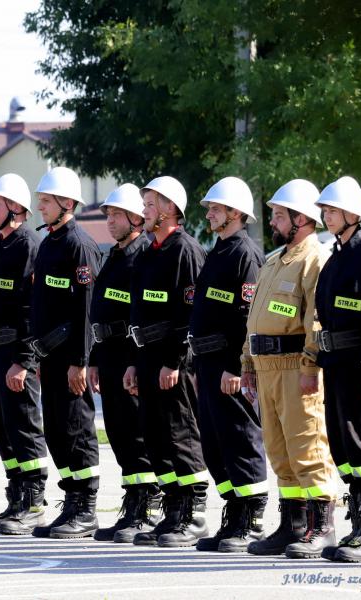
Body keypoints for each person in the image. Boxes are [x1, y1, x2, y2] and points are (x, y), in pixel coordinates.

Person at [241, 179, 338, 558]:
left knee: (307, 445)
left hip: (296, 367)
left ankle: (323, 526)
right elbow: (254, 319)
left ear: (302, 219)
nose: (273, 221)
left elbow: (316, 319)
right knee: (279, 451)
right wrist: (247, 363)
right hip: (266, 367)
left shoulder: (315, 260)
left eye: (280, 215)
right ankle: (293, 525)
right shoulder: (272, 261)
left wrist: (310, 365)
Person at [123, 176, 209, 548]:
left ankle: (194, 514)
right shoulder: (148, 253)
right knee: (156, 436)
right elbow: (139, 312)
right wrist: (133, 362)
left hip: (173, 362)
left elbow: (190, 315)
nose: (144, 210)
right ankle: (173, 511)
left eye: (150, 204)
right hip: (146, 357)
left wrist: (174, 362)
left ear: (170, 208)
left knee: (180, 435)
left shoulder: (185, 251)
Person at [189, 177, 268, 553]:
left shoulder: (245, 254)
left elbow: (246, 316)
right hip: (207, 363)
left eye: (215, 209)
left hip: (228, 365)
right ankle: (234, 512)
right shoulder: (218, 251)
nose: (209, 214)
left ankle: (251, 519)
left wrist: (237, 368)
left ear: (235, 213)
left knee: (240, 439)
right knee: (214, 442)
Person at [313, 177, 361, 563]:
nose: (326, 216)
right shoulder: (336, 256)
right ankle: (358, 525)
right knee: (342, 447)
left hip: (358, 366)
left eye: (332, 210)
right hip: (334, 365)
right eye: (325, 211)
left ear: (352, 214)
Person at [28, 166, 102, 539]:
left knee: (76, 429)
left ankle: (86, 508)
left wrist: (81, 361)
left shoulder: (79, 245)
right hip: (50, 357)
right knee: (56, 431)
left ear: (66, 203)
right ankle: (71, 501)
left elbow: (87, 309)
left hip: (71, 358)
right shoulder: (48, 244)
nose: (40, 207)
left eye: (46, 201)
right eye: (40, 200)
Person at [0, 173, 49, 536]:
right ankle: (16, 498)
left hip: (17, 355)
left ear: (16, 207)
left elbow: (32, 311)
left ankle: (33, 504)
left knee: (24, 427)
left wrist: (24, 361)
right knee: (3, 430)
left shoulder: (28, 247)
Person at [87, 184, 159, 543]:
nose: (110, 221)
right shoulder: (114, 255)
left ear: (135, 218)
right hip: (108, 355)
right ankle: (133, 504)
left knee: (137, 435)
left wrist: (134, 362)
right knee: (118, 434)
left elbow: (141, 315)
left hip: (130, 358)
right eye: (109, 215)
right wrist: (93, 359)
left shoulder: (142, 255)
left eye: (117, 214)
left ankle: (146, 509)